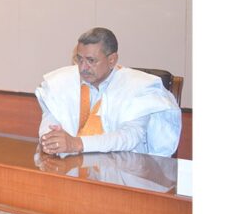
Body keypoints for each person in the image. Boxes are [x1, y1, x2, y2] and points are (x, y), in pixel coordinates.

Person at [35, 27, 181, 157]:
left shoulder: (138, 87)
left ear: (112, 60)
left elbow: (129, 136)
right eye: (79, 59)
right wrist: (49, 139)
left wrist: (77, 143)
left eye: (91, 60)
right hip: (72, 164)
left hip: (124, 168)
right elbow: (50, 118)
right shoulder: (63, 80)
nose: (83, 68)